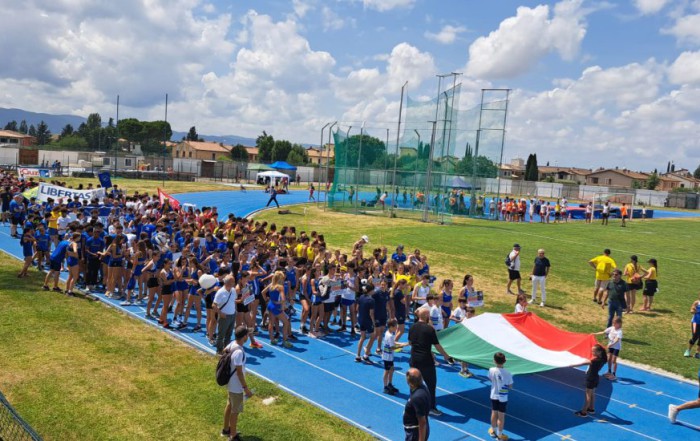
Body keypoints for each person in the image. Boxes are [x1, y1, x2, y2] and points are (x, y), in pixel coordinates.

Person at [408, 308, 454, 416]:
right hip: (426, 361)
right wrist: (447, 357)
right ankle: (431, 407)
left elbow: (410, 343)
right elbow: (437, 346)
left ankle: (413, 405)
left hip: (414, 359)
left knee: (414, 383)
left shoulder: (412, 327)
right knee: (431, 385)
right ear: (427, 316)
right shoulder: (429, 329)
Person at [221, 326, 254, 441]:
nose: (248, 337)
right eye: (247, 335)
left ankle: (226, 429)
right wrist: (246, 389)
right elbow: (239, 373)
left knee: (229, 405)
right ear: (244, 337)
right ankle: (233, 435)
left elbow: (224, 351)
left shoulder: (232, 344)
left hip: (230, 383)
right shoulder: (239, 352)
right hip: (236, 386)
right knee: (235, 411)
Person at [574, 345, 606, 417]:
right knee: (592, 394)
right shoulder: (603, 359)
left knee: (588, 395)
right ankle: (591, 408)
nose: (592, 352)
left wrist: (570, 365)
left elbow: (581, 363)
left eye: (593, 351)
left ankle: (583, 412)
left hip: (590, 378)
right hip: (596, 378)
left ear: (599, 352)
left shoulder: (594, 361)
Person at [488, 352, 513, 441]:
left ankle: (493, 431)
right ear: (505, 361)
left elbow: (490, 378)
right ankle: (499, 436)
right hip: (503, 397)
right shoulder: (508, 373)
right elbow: (510, 386)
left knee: (494, 412)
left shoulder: (491, 370)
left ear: (494, 361)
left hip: (494, 395)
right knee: (501, 416)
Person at [403, 368, 431, 441]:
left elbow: (422, 421)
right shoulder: (421, 386)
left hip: (415, 432)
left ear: (410, 383)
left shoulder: (417, 397)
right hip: (414, 431)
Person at [382, 318, 408, 395]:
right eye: (395, 326)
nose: (397, 327)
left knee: (392, 369)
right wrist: (402, 346)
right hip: (387, 356)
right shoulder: (389, 335)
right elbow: (392, 347)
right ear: (391, 326)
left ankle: (389, 384)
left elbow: (393, 342)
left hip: (389, 355)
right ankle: (385, 387)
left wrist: (403, 343)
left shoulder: (389, 333)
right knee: (387, 371)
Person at [450, 300, 475, 378]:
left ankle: (466, 369)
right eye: (467, 313)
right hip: (464, 341)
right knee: (464, 357)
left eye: (470, 314)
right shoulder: (465, 321)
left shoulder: (471, 320)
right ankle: (462, 370)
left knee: (467, 356)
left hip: (469, 340)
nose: (468, 314)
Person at [214, 275, 238, 354]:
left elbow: (233, 301)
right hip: (224, 316)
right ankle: (219, 350)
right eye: (233, 281)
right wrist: (221, 313)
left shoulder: (233, 290)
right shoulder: (220, 292)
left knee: (229, 334)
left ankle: (226, 349)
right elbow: (214, 305)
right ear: (228, 282)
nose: (234, 283)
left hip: (232, 315)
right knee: (221, 335)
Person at [685, 292, 700, 358]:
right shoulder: (697, 303)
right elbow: (691, 311)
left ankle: (697, 353)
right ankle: (688, 350)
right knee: (695, 336)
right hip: (695, 322)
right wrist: (694, 311)